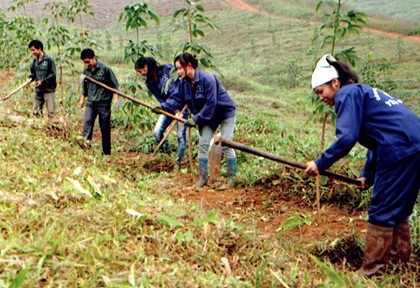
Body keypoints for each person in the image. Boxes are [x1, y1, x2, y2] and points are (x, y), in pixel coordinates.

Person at [305, 54, 420, 277]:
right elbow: (377, 138)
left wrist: (320, 163)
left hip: (400, 148)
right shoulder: (363, 92)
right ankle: (400, 261)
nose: (321, 98)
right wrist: (368, 174)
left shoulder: (346, 95)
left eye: (321, 91)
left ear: (335, 83)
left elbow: (347, 137)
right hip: (414, 143)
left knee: (382, 207)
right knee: (400, 206)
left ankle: (372, 269)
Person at [155, 52, 237, 188]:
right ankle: (203, 179)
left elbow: (211, 104)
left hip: (224, 112)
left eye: (180, 68)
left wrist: (196, 119)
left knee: (227, 144)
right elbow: (176, 99)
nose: (179, 72)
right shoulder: (184, 85)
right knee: (203, 145)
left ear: (189, 66)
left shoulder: (208, 79)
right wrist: (162, 107)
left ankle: (231, 179)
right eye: (177, 69)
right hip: (208, 117)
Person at [135, 56, 188, 168]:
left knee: (180, 136)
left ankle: (177, 163)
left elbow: (177, 90)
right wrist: (163, 108)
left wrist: (177, 109)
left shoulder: (167, 70)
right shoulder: (149, 83)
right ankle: (167, 158)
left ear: (147, 66)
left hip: (183, 105)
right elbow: (160, 98)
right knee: (157, 132)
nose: (141, 74)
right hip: (168, 107)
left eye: (141, 70)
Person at [78, 48, 119, 155]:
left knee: (105, 128)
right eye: (85, 62)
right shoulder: (86, 71)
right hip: (91, 104)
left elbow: (115, 86)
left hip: (104, 105)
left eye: (88, 62)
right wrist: (82, 99)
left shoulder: (105, 69)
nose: (87, 64)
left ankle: (106, 153)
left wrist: (116, 99)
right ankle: (85, 148)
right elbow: (85, 88)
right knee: (87, 125)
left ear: (94, 58)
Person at [27, 40, 57, 118]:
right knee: (35, 112)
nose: (32, 52)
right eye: (31, 50)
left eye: (33, 50)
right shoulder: (35, 61)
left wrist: (42, 81)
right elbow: (33, 73)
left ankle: (51, 127)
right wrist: (30, 78)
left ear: (39, 48)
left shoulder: (49, 60)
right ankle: (38, 127)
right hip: (38, 90)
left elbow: (53, 75)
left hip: (48, 90)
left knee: (51, 112)